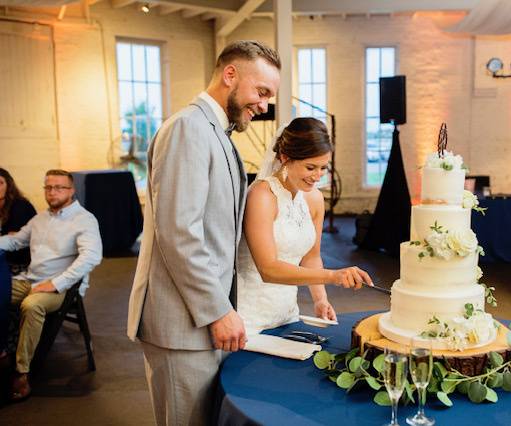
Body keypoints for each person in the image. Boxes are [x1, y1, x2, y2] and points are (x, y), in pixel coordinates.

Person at [127, 40, 282, 426]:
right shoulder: (189, 128)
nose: (264, 105)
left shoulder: (217, 132)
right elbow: (179, 232)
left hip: (201, 322)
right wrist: (217, 310)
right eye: (261, 92)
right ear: (230, 74)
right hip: (181, 324)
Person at [238, 118, 373, 334]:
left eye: (323, 168)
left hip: (288, 315)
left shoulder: (314, 199)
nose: (317, 176)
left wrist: (320, 299)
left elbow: (311, 256)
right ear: (285, 158)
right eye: (310, 167)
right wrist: (333, 276)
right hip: (250, 318)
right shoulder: (262, 196)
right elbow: (268, 269)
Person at [0, 169, 102, 401]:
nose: (52, 192)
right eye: (48, 187)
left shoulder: (84, 220)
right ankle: (2, 352)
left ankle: (22, 372)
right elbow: (16, 240)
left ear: (72, 190)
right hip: (29, 279)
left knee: (31, 305)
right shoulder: (40, 219)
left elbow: (91, 257)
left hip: (62, 287)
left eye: (59, 187)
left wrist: (55, 283)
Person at [0, 168, 37, 273]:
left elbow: (14, 239)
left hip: (20, 265)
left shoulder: (20, 206)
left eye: (0, 183)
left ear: (8, 186)